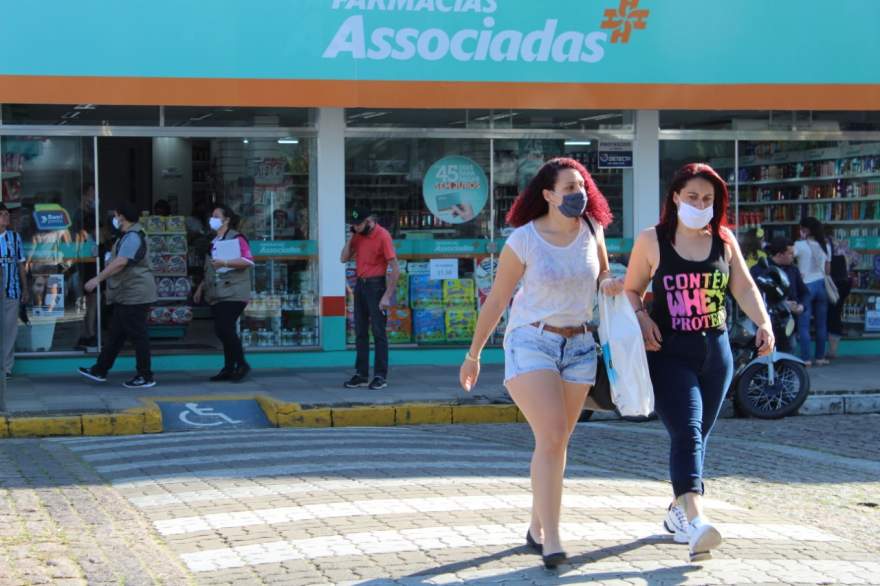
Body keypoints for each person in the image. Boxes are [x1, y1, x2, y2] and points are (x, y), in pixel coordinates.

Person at [459, 158, 622, 569]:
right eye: (568, 188)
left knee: (556, 442)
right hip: (532, 341)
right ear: (547, 195)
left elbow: (601, 276)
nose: (577, 194)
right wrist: (473, 354)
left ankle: (536, 527)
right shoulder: (524, 240)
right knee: (551, 433)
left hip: (581, 344)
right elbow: (497, 301)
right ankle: (553, 538)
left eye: (581, 186)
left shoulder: (592, 230)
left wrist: (614, 282)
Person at [623, 163, 774, 562]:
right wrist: (640, 317)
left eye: (707, 199)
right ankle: (696, 519)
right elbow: (632, 290)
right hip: (669, 352)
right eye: (692, 196)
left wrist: (764, 323)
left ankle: (677, 511)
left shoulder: (723, 240)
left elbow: (742, 285)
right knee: (689, 430)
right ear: (675, 197)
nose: (699, 204)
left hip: (716, 353)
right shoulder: (652, 240)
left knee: (698, 436)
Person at [77, 201, 158, 388]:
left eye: (115, 215)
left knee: (138, 335)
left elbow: (121, 262)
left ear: (121, 216)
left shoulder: (132, 236)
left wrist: (97, 279)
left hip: (135, 293)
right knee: (116, 335)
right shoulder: (128, 236)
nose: (114, 219)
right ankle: (100, 370)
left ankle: (145, 376)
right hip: (127, 292)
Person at [340, 207, 400, 390]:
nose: (356, 227)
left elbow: (395, 268)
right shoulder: (358, 235)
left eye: (359, 224)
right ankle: (361, 374)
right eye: (353, 225)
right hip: (361, 284)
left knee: (379, 332)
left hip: (376, 285)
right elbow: (343, 258)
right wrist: (352, 236)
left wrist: (387, 296)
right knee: (360, 332)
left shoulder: (383, 236)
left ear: (369, 220)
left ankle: (380, 375)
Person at [192, 204, 254, 382]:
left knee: (224, 328)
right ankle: (228, 368)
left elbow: (247, 261)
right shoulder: (213, 240)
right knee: (223, 330)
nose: (212, 219)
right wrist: (201, 287)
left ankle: (241, 364)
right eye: (212, 216)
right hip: (217, 292)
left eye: (216, 216)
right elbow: (212, 268)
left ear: (226, 219)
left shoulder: (236, 238)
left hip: (234, 291)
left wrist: (225, 263)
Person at [750, 237, 808, 352]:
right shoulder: (760, 269)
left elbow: (804, 292)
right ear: (780, 254)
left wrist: (801, 306)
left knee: (789, 350)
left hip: (787, 322)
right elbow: (754, 294)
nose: (793, 256)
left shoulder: (793, 270)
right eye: (790, 253)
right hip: (766, 321)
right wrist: (782, 304)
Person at [794, 217, 831, 366]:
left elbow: (790, 258)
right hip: (822, 285)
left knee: (804, 325)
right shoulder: (825, 245)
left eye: (801, 228)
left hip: (806, 286)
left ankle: (806, 359)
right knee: (821, 324)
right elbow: (828, 269)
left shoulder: (799, 245)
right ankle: (820, 357)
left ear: (805, 230)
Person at [0, 203, 29, 376]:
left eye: (6, 214)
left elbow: (20, 265)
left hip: (11, 291)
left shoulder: (14, 237)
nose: (6, 217)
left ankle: (6, 368)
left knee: (10, 330)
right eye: (2, 214)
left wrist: (25, 289)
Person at [825, 227, 856, 359]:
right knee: (836, 313)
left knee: (829, 314)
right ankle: (834, 349)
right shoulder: (842, 244)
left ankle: (830, 349)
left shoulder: (825, 244)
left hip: (832, 283)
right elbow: (855, 259)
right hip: (844, 283)